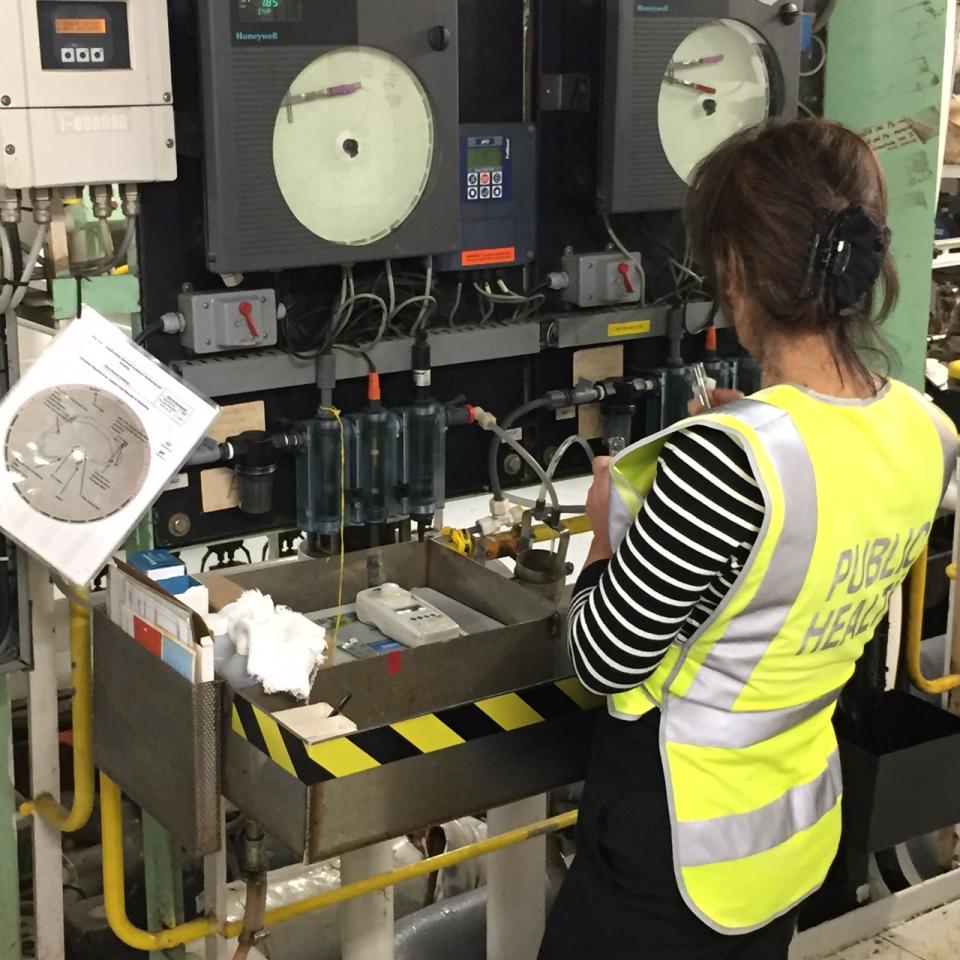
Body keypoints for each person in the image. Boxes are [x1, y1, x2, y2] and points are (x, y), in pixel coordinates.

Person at [538, 118, 958, 960]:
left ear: (734, 270)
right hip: (787, 835)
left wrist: (603, 531)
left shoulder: (728, 467)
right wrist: (754, 433)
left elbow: (601, 656)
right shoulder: (927, 433)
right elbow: (814, 535)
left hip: (671, 855)